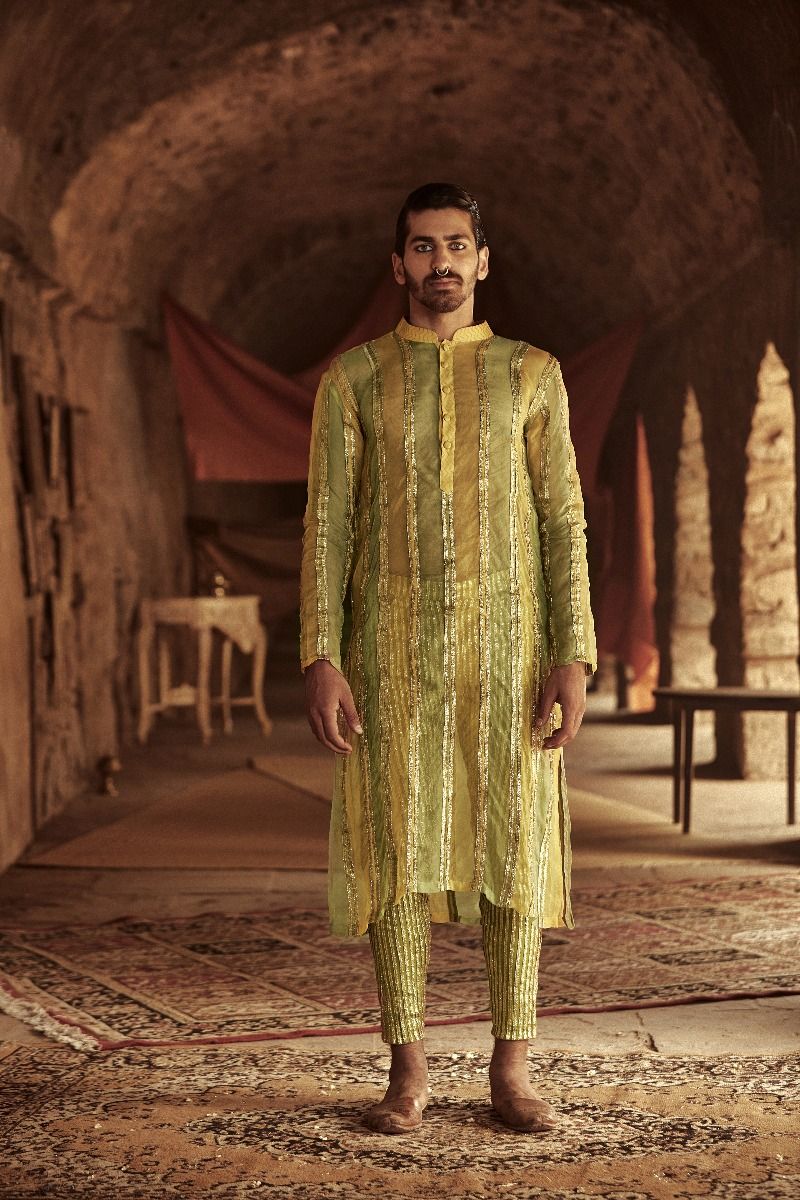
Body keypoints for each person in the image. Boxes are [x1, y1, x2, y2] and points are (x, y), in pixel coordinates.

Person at [299, 182, 596, 1135]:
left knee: (511, 841)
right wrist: (321, 653)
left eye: (457, 245)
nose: (441, 263)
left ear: (483, 260)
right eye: (423, 247)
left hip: (509, 650)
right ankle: (408, 1069)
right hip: (390, 649)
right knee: (397, 844)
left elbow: (563, 521)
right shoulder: (353, 379)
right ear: (398, 265)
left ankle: (512, 1068)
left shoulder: (531, 374)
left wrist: (573, 653)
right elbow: (328, 525)